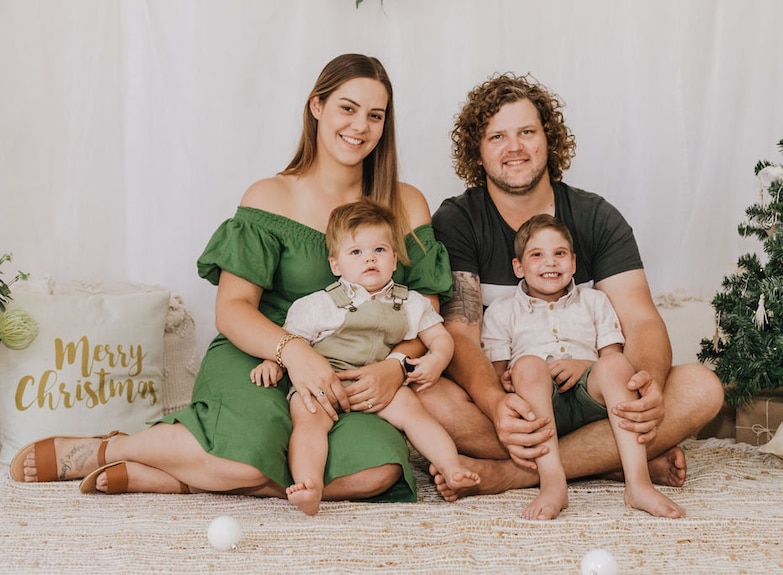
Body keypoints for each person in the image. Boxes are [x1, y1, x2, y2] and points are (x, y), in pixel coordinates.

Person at [11, 53, 454, 505]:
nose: (360, 126)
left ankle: (178, 474)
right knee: (247, 454)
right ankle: (111, 447)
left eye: (375, 115)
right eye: (347, 107)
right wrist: (295, 352)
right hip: (262, 352)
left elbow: (426, 309)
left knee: (376, 471)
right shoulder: (270, 195)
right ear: (316, 106)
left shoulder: (405, 202)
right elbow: (233, 308)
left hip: (351, 366)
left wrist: (394, 366)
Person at [422, 72, 724, 502]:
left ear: (549, 137)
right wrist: (495, 404)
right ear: (477, 149)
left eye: (527, 132)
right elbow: (461, 335)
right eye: (497, 137)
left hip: (594, 397)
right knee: (427, 394)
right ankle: (615, 457)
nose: (515, 148)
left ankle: (512, 475)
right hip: (518, 403)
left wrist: (644, 388)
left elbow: (640, 320)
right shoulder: (458, 220)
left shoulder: (595, 216)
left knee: (703, 388)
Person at [250, 199, 479, 515]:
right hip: (324, 381)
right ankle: (310, 486)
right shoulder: (319, 305)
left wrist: (437, 359)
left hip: (378, 385)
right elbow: (291, 342)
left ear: (395, 259)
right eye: (355, 252)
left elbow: (440, 337)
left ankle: (451, 467)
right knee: (309, 421)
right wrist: (272, 362)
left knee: (413, 410)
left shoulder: (410, 302)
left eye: (380, 250)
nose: (369, 258)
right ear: (336, 265)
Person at [482, 213, 685, 520]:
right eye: (537, 255)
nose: (550, 263)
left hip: (591, 399)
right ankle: (552, 483)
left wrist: (583, 365)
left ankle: (638, 484)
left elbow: (613, 358)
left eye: (559, 254)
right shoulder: (502, 311)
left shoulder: (594, 302)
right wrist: (514, 379)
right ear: (518, 267)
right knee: (526, 366)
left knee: (616, 364)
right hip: (539, 405)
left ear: (574, 263)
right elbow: (498, 374)